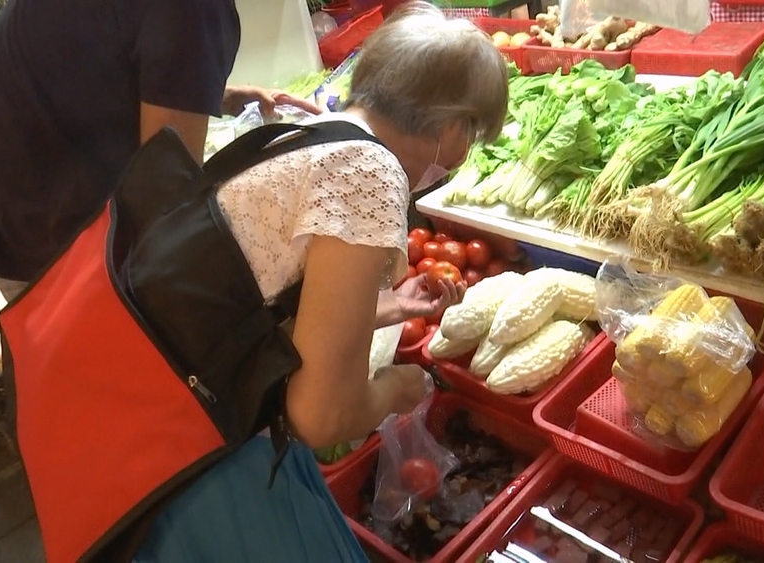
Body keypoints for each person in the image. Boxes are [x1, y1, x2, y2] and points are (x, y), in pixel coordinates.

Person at [125, 4, 509, 561]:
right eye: (471, 131)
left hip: (158, 413)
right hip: (194, 453)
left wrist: (379, 308)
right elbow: (321, 415)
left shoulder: (310, 134)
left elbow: (262, 290)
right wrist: (397, 390)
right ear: (450, 121)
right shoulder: (369, 173)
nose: (466, 152)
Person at [0, 0, 320, 303]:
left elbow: (92, 65)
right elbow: (168, 197)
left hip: (9, 210)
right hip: (51, 242)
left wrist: (209, 95)